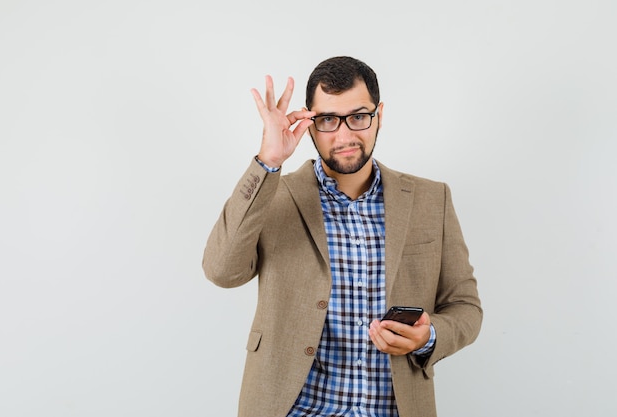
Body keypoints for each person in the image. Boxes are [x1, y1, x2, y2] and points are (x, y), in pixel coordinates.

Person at [203, 56, 482, 417]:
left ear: (379, 114)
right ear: (309, 122)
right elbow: (221, 271)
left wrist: (427, 337)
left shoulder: (432, 200)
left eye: (359, 116)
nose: (345, 135)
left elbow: (465, 307)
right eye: (328, 120)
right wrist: (268, 160)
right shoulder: (273, 196)